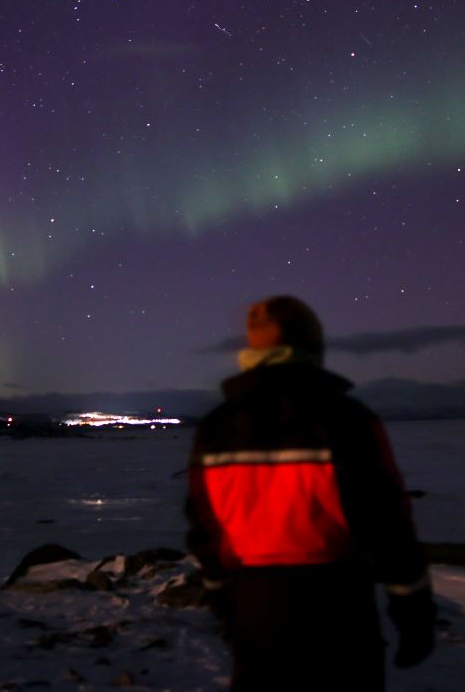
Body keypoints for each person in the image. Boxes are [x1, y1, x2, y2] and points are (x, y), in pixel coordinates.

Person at [185, 295, 434, 692]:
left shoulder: (216, 427)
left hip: (256, 604)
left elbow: (205, 524)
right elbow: (385, 520)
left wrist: (222, 599)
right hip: (337, 605)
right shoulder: (347, 420)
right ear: (311, 347)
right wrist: (413, 605)